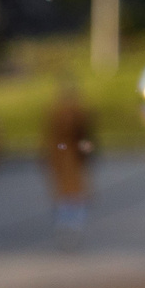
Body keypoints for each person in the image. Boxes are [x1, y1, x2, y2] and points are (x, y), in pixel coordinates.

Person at [42, 77, 96, 248]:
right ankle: (70, 226)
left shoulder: (62, 113)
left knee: (70, 194)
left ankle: (69, 226)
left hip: (69, 159)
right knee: (70, 194)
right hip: (68, 159)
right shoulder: (73, 113)